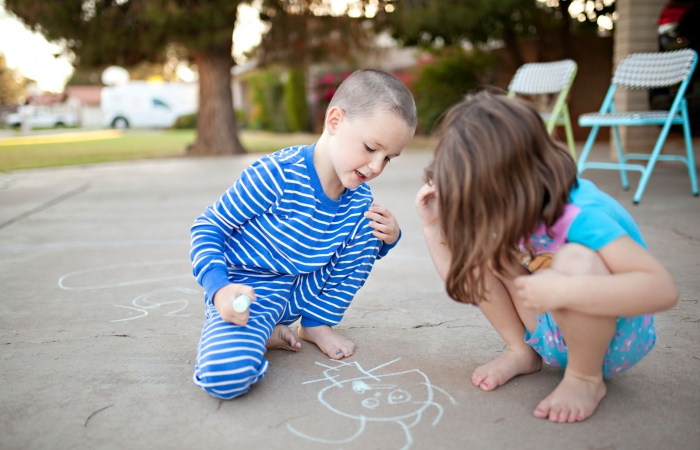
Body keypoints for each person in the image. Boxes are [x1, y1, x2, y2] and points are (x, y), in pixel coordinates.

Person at [415, 91, 678, 423]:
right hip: (551, 330)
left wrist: (566, 292)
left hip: (609, 344)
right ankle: (520, 350)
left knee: (575, 260)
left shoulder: (582, 213)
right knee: (486, 251)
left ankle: (584, 379)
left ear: (515, 177)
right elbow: (465, 278)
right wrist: (433, 228)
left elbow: (662, 289)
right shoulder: (519, 204)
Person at [190, 69, 416, 400]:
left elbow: (360, 253)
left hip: (303, 292)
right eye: (370, 148)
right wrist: (219, 290)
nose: (375, 167)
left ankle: (314, 325)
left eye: (388, 159)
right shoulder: (276, 175)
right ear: (335, 121)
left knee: (371, 225)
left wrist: (390, 236)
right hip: (249, 295)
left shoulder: (359, 200)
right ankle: (262, 331)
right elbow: (209, 227)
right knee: (225, 376)